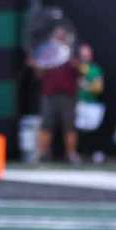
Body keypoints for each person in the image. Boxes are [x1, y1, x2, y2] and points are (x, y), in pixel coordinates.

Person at [32, 26, 80, 164]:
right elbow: (39, 74)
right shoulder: (46, 51)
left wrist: (74, 62)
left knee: (69, 125)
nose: (59, 37)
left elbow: (79, 70)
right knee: (46, 124)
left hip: (67, 94)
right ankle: (42, 154)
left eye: (62, 35)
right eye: (57, 35)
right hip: (49, 93)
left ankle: (71, 154)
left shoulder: (71, 51)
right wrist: (37, 65)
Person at [76, 43, 106, 164]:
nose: (85, 57)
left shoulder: (95, 69)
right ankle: (78, 153)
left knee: (93, 129)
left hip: (92, 104)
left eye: (87, 54)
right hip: (78, 103)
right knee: (78, 130)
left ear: (91, 55)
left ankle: (96, 153)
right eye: (82, 54)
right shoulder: (75, 68)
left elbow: (99, 88)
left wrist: (86, 85)